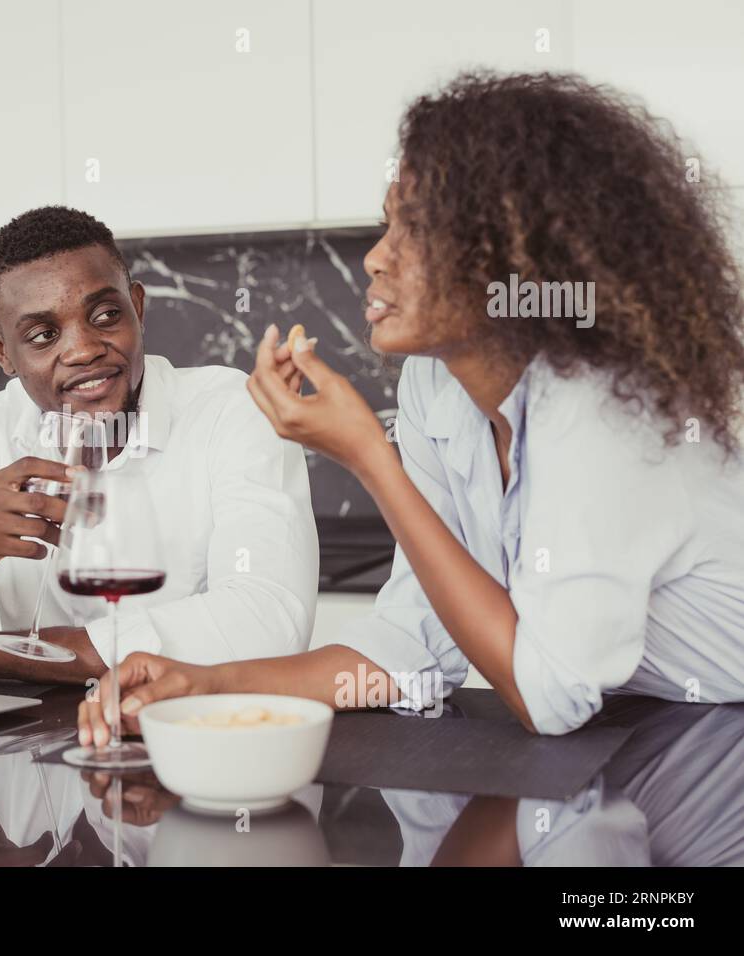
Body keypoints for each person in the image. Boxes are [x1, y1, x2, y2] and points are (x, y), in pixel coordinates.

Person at [79, 71, 744, 740]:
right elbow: (412, 647)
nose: (374, 259)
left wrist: (372, 458)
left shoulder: (601, 411)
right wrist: (202, 685)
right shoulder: (435, 386)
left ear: (519, 260)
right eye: (386, 226)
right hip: (665, 725)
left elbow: (550, 696)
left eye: (416, 232)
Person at [0, 205, 318, 685]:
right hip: (33, 746)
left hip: (196, 739)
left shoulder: (232, 411)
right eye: (44, 335)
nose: (84, 349)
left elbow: (268, 620)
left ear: (138, 307)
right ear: (2, 351)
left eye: (106, 315)